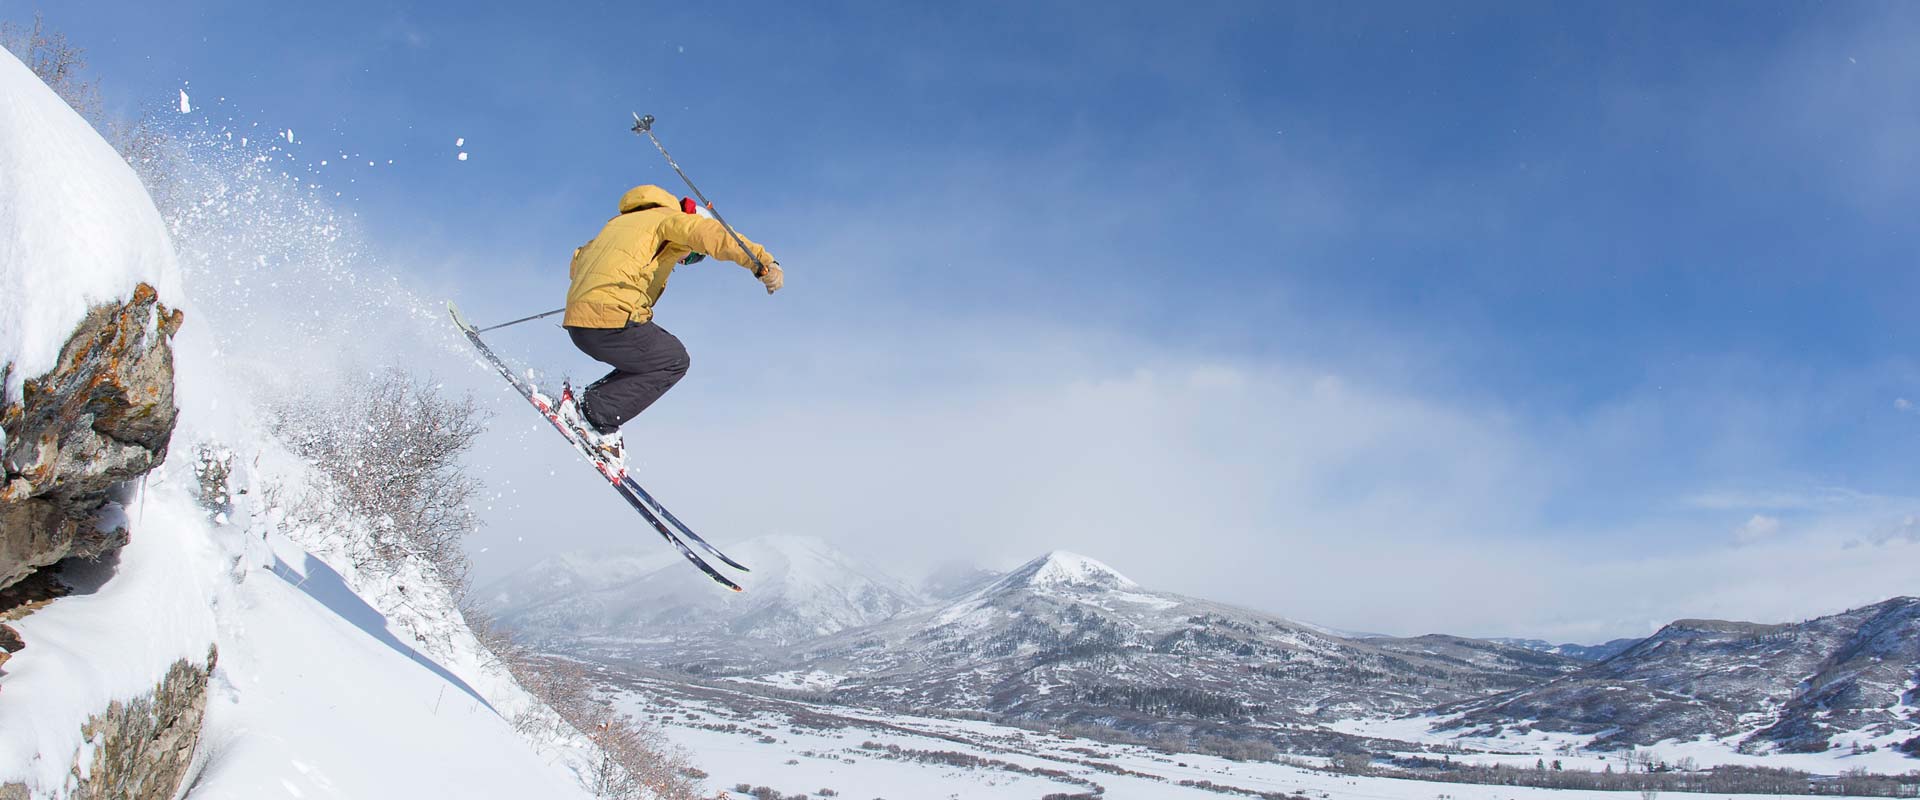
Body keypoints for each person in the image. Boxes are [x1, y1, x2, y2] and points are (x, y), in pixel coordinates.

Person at [559, 184, 782, 465]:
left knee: (649, 358)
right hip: (610, 315)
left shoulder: (618, 223)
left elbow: (579, 261)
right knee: (672, 359)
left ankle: (593, 407)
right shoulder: (669, 219)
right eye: (690, 255)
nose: (684, 260)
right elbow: (712, 235)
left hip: (579, 320)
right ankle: (594, 416)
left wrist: (598, 287)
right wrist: (761, 261)